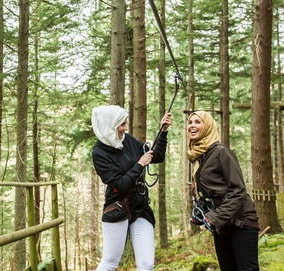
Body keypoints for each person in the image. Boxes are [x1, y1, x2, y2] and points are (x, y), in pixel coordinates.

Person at [91, 105, 172, 271]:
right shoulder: (99, 152)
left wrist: (163, 132)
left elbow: (156, 156)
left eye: (125, 123)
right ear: (110, 125)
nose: (125, 128)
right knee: (110, 263)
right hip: (118, 207)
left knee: (147, 264)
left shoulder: (127, 140)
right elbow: (120, 184)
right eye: (122, 124)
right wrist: (139, 164)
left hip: (140, 205)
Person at [186, 110, 259, 271]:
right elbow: (213, 193)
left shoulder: (221, 152)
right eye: (190, 122)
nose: (192, 125)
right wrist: (202, 212)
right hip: (222, 225)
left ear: (208, 127)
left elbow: (238, 190)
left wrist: (215, 216)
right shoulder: (200, 157)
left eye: (198, 122)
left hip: (241, 221)